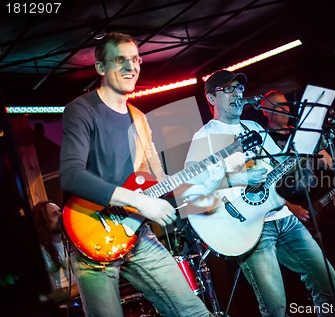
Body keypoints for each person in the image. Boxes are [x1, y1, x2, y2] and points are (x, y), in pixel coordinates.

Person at [59, 32, 220, 317]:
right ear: (100, 67)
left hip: (136, 230)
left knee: (193, 312)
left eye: (135, 60)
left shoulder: (139, 119)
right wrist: (141, 201)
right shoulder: (81, 110)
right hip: (91, 231)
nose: (130, 67)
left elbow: (156, 180)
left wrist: (200, 194)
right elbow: (71, 176)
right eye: (120, 60)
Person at [185, 70, 335, 316]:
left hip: (283, 218)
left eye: (239, 88)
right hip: (249, 228)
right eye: (229, 89)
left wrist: (310, 147)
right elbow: (190, 190)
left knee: (331, 287)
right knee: (275, 308)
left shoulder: (253, 128)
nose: (237, 93)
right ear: (211, 99)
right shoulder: (204, 136)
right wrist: (239, 177)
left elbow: (280, 164)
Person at [260, 90, 335, 222]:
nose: (285, 109)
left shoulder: (302, 133)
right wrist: (289, 208)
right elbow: (264, 183)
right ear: (266, 111)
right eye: (280, 106)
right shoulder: (263, 140)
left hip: (317, 204)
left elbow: (329, 162)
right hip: (287, 212)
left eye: (286, 105)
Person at [32, 201, 80, 305]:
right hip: (67, 308)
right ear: (43, 222)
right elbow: (50, 296)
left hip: (84, 300)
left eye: (59, 211)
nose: (61, 216)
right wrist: (83, 287)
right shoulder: (42, 252)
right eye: (54, 214)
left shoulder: (71, 241)